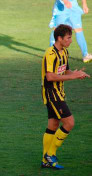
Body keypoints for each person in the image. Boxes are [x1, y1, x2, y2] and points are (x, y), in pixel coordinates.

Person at [41, 24, 90, 169]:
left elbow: (65, 71)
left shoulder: (64, 53)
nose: (70, 41)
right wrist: (74, 77)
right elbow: (49, 77)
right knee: (69, 123)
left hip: (59, 93)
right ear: (59, 38)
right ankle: (50, 154)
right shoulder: (50, 54)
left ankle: (45, 160)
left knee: (53, 125)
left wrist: (76, 73)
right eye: (68, 38)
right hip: (52, 94)